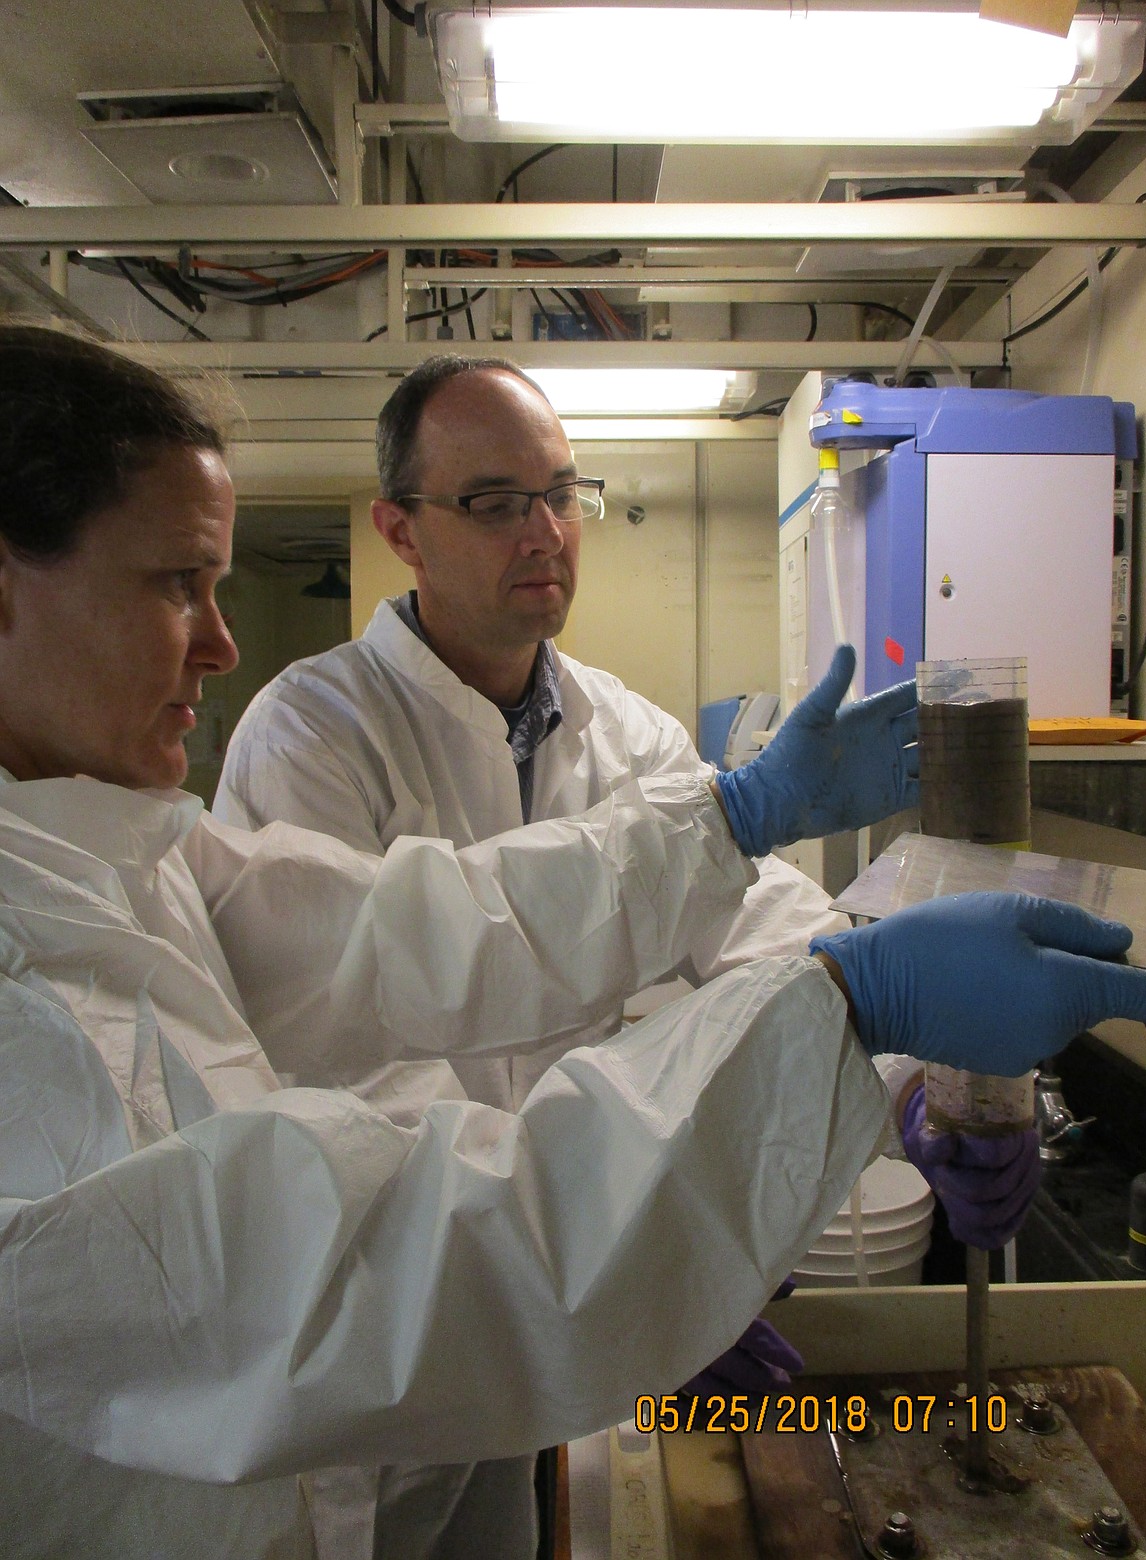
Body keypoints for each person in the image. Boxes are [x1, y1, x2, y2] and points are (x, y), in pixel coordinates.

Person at [1, 325, 1146, 1560]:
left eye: (558, 494)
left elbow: (443, 929)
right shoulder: (271, 765)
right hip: (409, 1376)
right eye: (176, 582)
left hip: (501, 1338)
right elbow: (379, 1253)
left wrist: (894, 1064)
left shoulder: (118, 853)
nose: (222, 642)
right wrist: (688, 1235)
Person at [216, 357, 1041, 1557]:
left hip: (563, 1280)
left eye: (562, 492)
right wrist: (638, 1263)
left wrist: (915, 1085)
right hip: (401, 1327)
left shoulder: (626, 728)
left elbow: (762, 930)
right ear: (399, 528)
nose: (546, 530)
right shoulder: (314, 736)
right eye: (496, 501)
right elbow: (355, 1088)